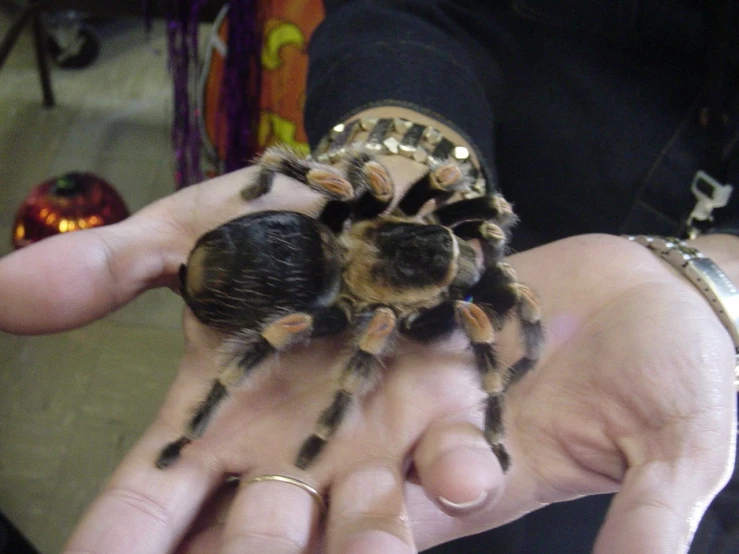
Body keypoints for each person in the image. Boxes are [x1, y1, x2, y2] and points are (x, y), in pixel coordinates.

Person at [1, 1, 737, 553]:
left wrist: (715, 279)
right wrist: (398, 148)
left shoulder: (382, 221)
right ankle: (224, 428)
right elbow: (418, 39)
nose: (468, 262)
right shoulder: (393, 297)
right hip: (303, 278)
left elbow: (409, 207)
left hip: (587, 348)